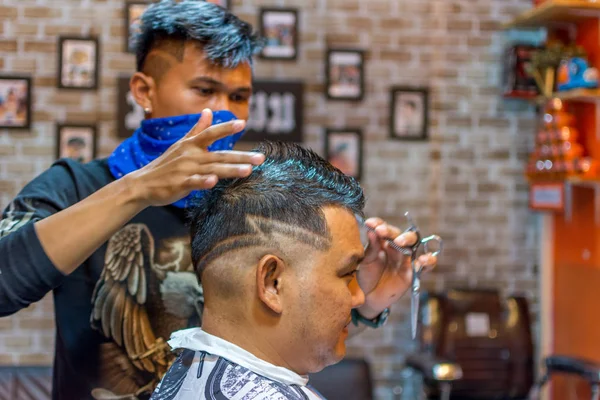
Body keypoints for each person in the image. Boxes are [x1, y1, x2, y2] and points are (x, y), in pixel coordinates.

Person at [0, 1, 436, 399]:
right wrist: (137, 189)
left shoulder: (245, 201)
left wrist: (365, 297)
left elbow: (279, 331)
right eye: (204, 91)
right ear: (144, 91)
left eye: (239, 96)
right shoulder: (74, 187)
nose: (224, 112)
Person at [150, 141, 435, 400]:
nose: (358, 298)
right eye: (347, 275)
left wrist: (372, 300)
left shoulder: (180, 375)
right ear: (273, 282)